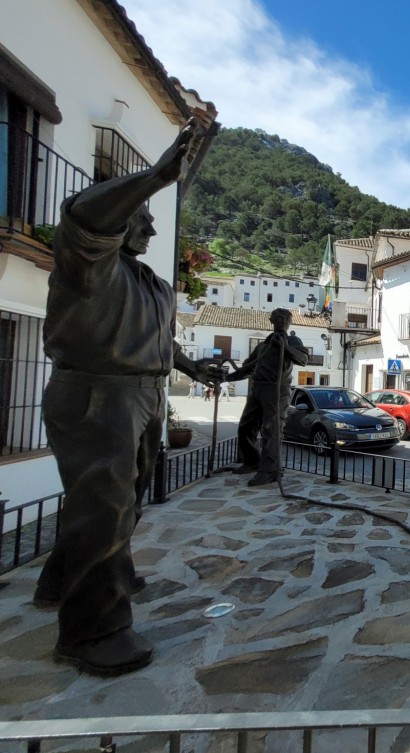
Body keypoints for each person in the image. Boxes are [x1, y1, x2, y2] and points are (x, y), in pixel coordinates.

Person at [32, 119, 222, 677]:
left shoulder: (152, 284)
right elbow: (86, 219)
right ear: (121, 218)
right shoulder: (87, 265)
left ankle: (63, 580)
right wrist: (157, 177)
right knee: (106, 507)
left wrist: (195, 366)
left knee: (120, 502)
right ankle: (93, 631)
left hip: (144, 395)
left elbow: (161, 343)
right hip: (98, 393)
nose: (153, 229)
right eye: (143, 216)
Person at [223, 309, 308, 486]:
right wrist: (227, 378)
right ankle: (252, 461)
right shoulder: (262, 346)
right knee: (246, 427)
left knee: (272, 430)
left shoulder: (292, 340)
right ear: (271, 320)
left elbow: (303, 359)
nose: (282, 321)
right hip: (258, 388)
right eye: (279, 318)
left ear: (290, 322)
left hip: (277, 390)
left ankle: (270, 470)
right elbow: (248, 368)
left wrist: (284, 347)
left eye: (286, 319)